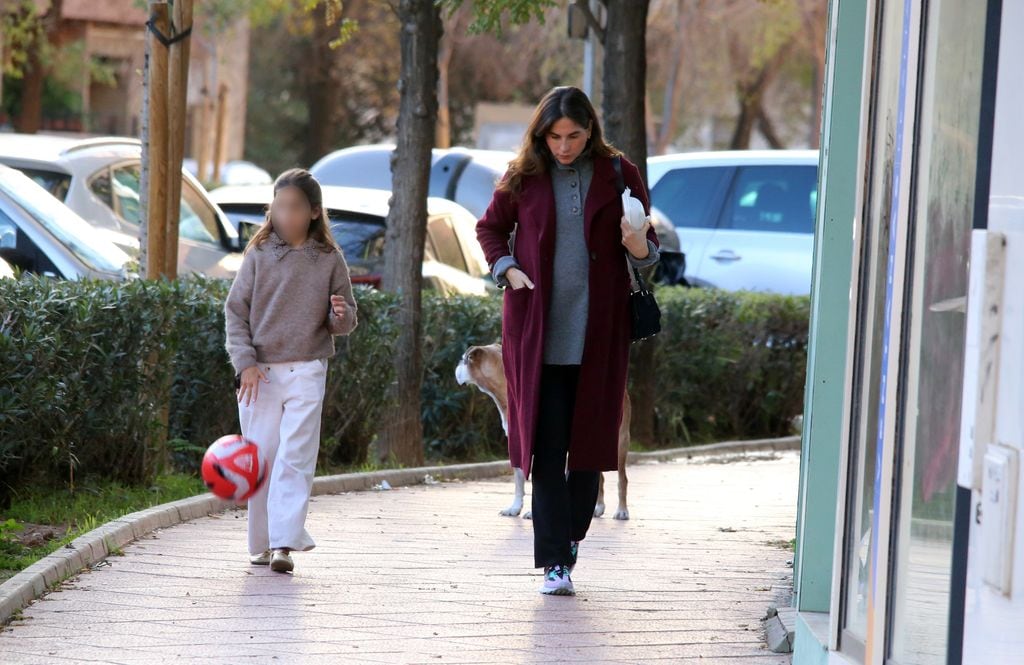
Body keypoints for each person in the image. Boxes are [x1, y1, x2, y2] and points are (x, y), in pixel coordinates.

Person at [476, 86, 659, 595]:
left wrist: (638, 244)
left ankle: (569, 539)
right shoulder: (523, 176)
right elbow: (489, 230)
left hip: (599, 333)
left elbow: (649, 255)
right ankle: (555, 561)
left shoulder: (619, 173)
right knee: (547, 448)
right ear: (541, 134)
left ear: (590, 131)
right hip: (538, 332)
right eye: (554, 136)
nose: (563, 147)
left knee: (589, 448)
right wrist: (507, 268)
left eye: (573, 136)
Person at [224, 168, 358, 574]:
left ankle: (283, 544)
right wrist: (244, 363)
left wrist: (340, 315)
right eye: (278, 206)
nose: (285, 214)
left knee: (295, 457)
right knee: (262, 458)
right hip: (260, 374)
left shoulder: (329, 259)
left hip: (307, 369)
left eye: (294, 207)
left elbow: (347, 317)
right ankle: (261, 543)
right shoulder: (259, 256)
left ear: (314, 212)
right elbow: (235, 312)